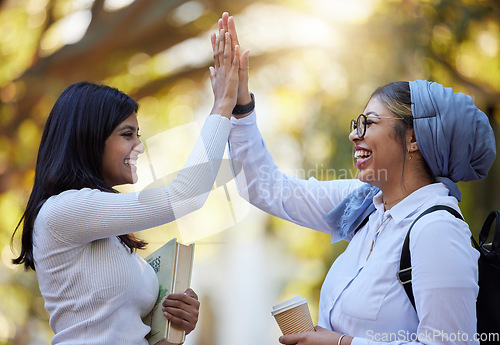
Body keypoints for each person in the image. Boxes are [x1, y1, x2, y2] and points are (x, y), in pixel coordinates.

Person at [216, 13, 496, 345]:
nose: (353, 135)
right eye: (356, 123)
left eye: (369, 123)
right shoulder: (364, 206)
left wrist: (340, 343)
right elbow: (267, 189)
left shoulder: (438, 231)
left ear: (413, 139)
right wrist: (239, 106)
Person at [11, 30, 245, 345]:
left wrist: (176, 327)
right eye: (127, 134)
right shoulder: (64, 209)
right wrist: (222, 107)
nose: (139, 146)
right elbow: (184, 195)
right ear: (90, 138)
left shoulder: (108, 235)